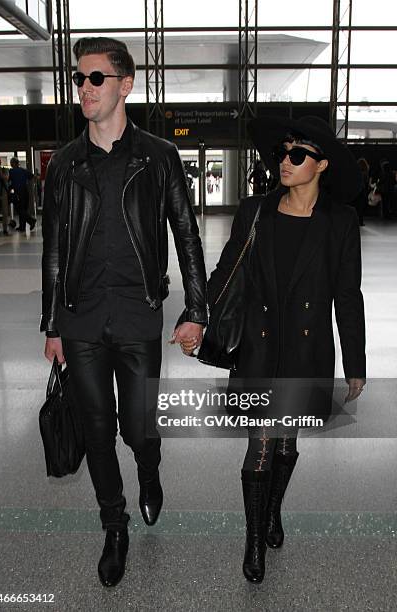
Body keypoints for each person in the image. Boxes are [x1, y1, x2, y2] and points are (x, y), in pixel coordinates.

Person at [41, 36, 207, 588]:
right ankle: (115, 526)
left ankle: (149, 469)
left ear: (125, 85)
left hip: (139, 315)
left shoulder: (158, 157)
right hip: (81, 319)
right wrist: (51, 325)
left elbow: (186, 234)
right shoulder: (65, 166)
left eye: (95, 79)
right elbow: (54, 251)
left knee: (138, 428)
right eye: (78, 80)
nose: (83, 89)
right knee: (95, 429)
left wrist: (196, 308)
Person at [180, 115, 366, 584]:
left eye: (298, 154)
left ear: (320, 165)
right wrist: (195, 318)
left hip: (307, 350)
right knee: (260, 446)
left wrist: (355, 363)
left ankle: (274, 509)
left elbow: (348, 294)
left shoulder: (340, 222)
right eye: (283, 152)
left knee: (287, 442)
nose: (285, 161)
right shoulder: (255, 210)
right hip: (260, 347)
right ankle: (254, 539)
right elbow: (225, 271)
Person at [8, 157, 36, 231]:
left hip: (18, 192)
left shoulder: (12, 171)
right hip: (25, 191)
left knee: (20, 209)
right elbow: (32, 176)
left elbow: (9, 181)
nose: (10, 164)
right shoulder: (23, 170)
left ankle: (31, 221)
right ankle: (22, 227)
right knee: (23, 209)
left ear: (14, 163)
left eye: (11, 162)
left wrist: (10, 188)